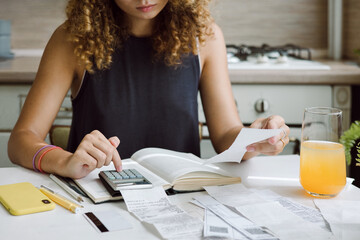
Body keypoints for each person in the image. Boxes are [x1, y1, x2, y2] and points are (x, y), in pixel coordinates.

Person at [8, 0, 290, 179]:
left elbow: (225, 136)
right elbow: (21, 140)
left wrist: (255, 139)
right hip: (97, 205)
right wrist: (65, 161)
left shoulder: (205, 37)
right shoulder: (71, 40)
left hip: (179, 202)